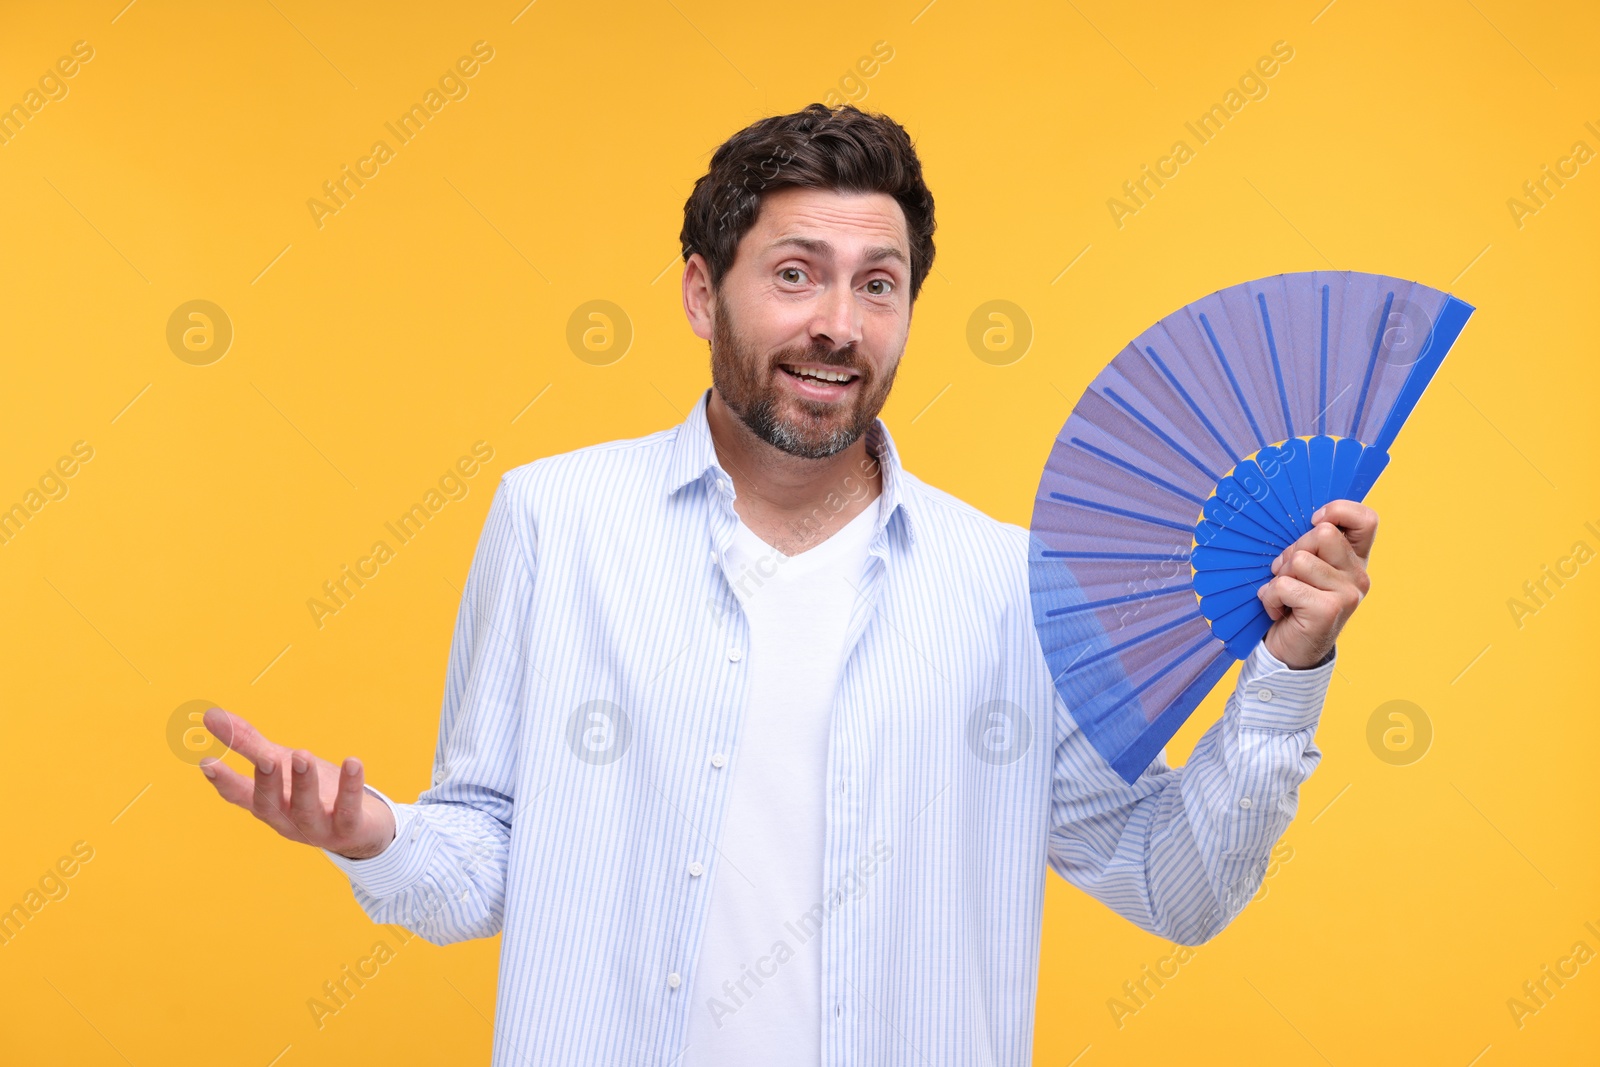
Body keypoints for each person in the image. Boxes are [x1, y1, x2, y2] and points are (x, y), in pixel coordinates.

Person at [198, 103, 1372, 1065]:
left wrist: (1287, 670)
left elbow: (1178, 885)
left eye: (877, 283)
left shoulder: (1005, 582)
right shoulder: (559, 521)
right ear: (704, 294)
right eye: (797, 274)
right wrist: (373, 833)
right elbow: (486, 856)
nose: (837, 324)